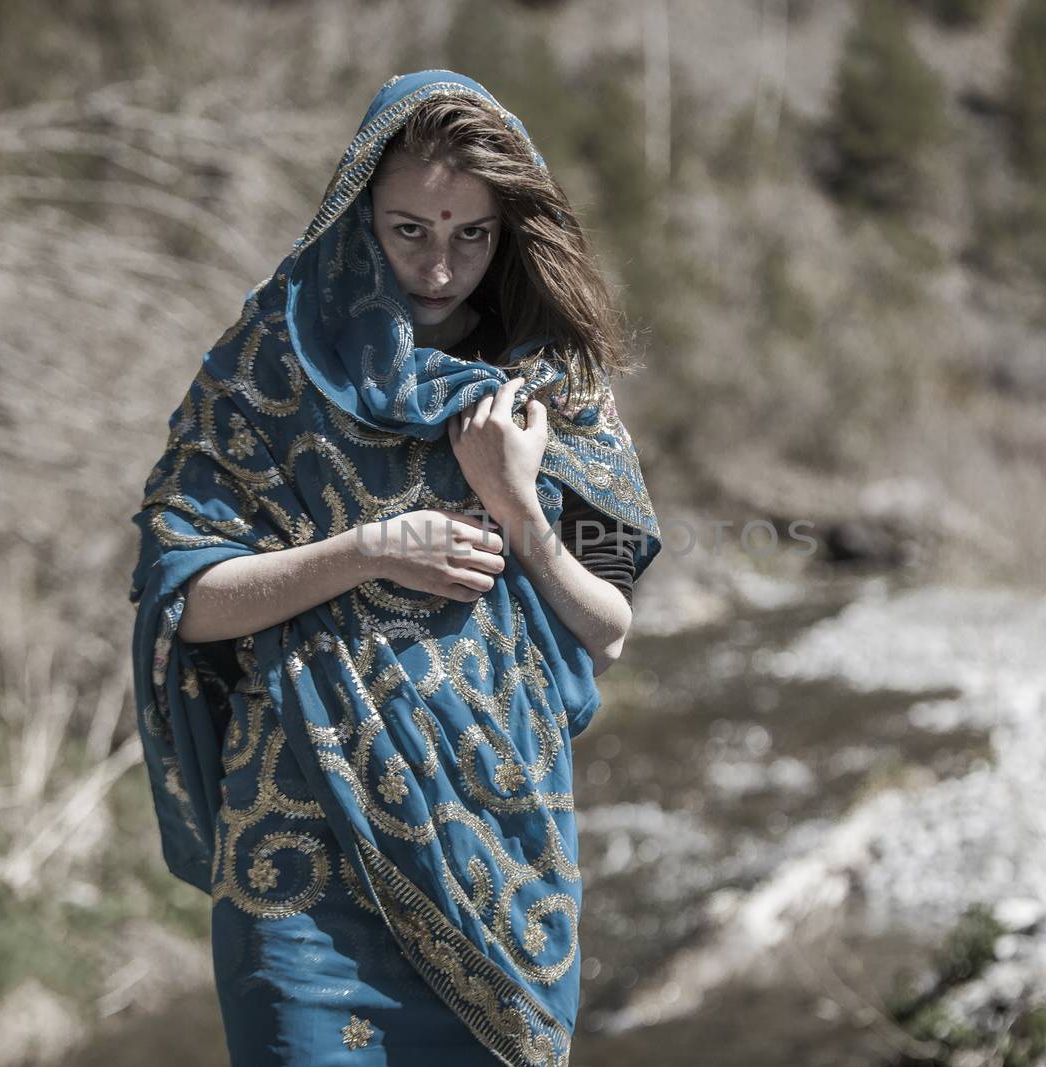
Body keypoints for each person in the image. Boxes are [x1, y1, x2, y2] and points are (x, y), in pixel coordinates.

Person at [128, 70, 661, 1066]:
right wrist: (370, 547)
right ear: (354, 210)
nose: (439, 266)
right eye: (407, 228)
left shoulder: (554, 383)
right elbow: (185, 600)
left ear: (510, 227)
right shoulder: (266, 367)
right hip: (299, 854)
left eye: (472, 234)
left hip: (500, 849)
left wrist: (514, 506)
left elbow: (608, 623)